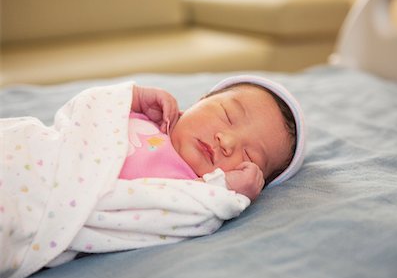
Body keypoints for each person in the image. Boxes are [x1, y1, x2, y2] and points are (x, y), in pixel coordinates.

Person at [120, 75, 306, 201]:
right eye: (228, 115)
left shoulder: (191, 191)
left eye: (249, 156)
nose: (227, 142)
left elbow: (156, 212)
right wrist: (131, 97)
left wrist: (224, 187)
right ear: (202, 100)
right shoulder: (141, 112)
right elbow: (93, 105)